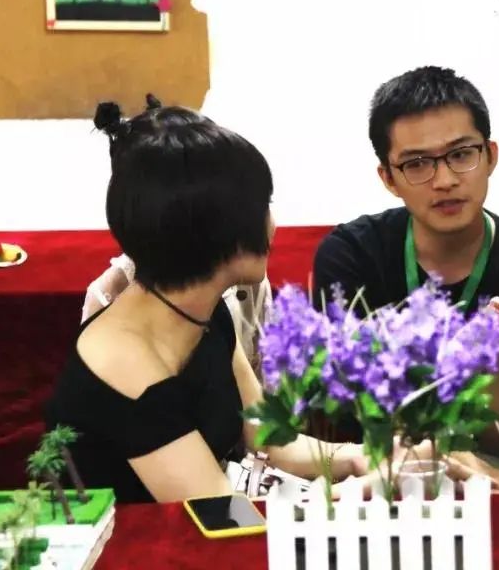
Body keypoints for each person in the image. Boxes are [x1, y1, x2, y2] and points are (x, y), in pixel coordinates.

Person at [46, 99, 372, 503]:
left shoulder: (205, 312)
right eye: (263, 207)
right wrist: (360, 492)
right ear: (218, 230)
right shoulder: (123, 361)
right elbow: (221, 512)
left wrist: (369, 457)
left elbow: (274, 442)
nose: (272, 224)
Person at [312, 66, 499, 479]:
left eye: (461, 155)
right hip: (381, 457)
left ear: (490, 156)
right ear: (388, 178)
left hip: (495, 463)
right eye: (417, 163)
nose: (444, 180)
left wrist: (488, 363)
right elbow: (358, 408)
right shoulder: (350, 257)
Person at [80, 95, 270, 374]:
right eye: (251, 208)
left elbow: (265, 394)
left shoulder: (245, 289)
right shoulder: (110, 301)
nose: (271, 224)